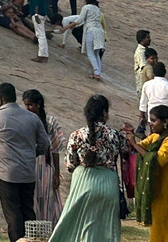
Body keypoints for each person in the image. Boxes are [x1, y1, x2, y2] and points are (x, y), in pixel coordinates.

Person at [0, 82, 49, 242]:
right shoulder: (32, 117)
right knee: (28, 211)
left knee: (13, 214)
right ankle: (32, 240)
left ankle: (17, 240)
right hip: (28, 172)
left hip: (6, 173)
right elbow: (44, 144)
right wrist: (30, 154)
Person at [48, 95, 124, 242]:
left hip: (83, 183)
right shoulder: (115, 135)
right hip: (108, 185)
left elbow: (70, 164)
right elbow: (125, 154)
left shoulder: (77, 135)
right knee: (105, 228)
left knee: (77, 226)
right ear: (104, 113)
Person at [128, 105, 168, 242]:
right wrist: (133, 135)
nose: (151, 123)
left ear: (165, 122)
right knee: (158, 232)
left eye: (154, 120)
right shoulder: (155, 137)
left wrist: (134, 144)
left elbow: (156, 161)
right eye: (150, 120)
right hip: (160, 192)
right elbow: (142, 146)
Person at [22, 89, 64, 227]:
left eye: (30, 105)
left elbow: (55, 149)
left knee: (48, 200)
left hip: (45, 167)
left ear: (38, 104)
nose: (28, 108)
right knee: (32, 200)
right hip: (29, 166)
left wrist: (57, 173)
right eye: (26, 105)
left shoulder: (50, 122)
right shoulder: (24, 120)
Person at [58, 0, 106, 80]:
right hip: (100, 31)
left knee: (90, 53)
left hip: (91, 31)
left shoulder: (86, 8)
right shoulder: (97, 9)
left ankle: (96, 72)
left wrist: (66, 27)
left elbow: (79, 20)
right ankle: (97, 73)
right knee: (96, 54)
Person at [135, 29, 153, 95]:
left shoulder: (145, 50)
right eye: (147, 37)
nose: (150, 39)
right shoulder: (140, 52)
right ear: (142, 40)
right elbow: (145, 68)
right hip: (143, 84)